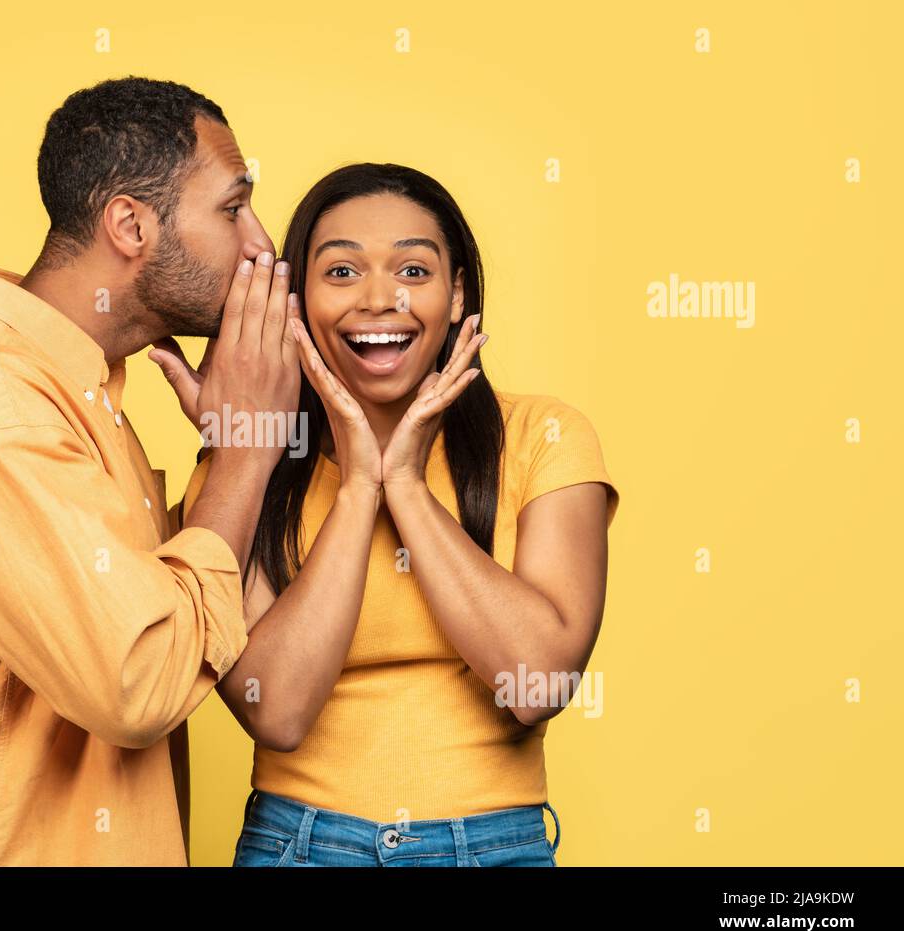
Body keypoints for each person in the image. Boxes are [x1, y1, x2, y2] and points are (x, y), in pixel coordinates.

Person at [0, 77, 298, 866]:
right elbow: (139, 679)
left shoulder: (78, 395)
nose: (260, 244)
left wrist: (226, 448)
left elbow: (160, 611)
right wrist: (250, 446)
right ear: (130, 225)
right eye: (232, 208)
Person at [174, 163, 620, 867]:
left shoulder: (546, 437)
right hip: (299, 846)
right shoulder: (243, 468)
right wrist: (358, 488)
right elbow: (275, 711)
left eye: (413, 271)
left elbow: (538, 683)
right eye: (342, 272)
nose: (380, 299)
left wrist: (405, 484)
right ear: (296, 303)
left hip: (497, 849)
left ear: (457, 295)